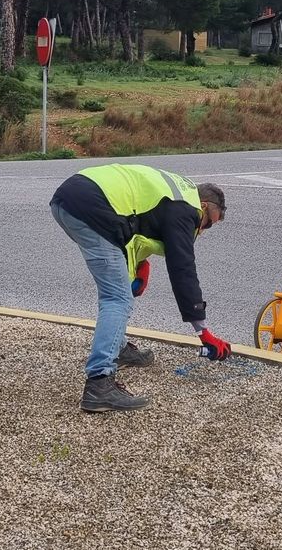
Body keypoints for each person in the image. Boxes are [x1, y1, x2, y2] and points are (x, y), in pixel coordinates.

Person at [50, 163, 232, 412]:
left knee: (116, 289)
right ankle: (99, 384)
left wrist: (139, 264)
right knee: (117, 298)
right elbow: (183, 269)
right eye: (208, 223)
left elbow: (136, 223)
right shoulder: (186, 209)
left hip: (69, 201)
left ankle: (119, 349)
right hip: (92, 205)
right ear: (203, 207)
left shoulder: (177, 193)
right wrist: (202, 331)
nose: (203, 230)